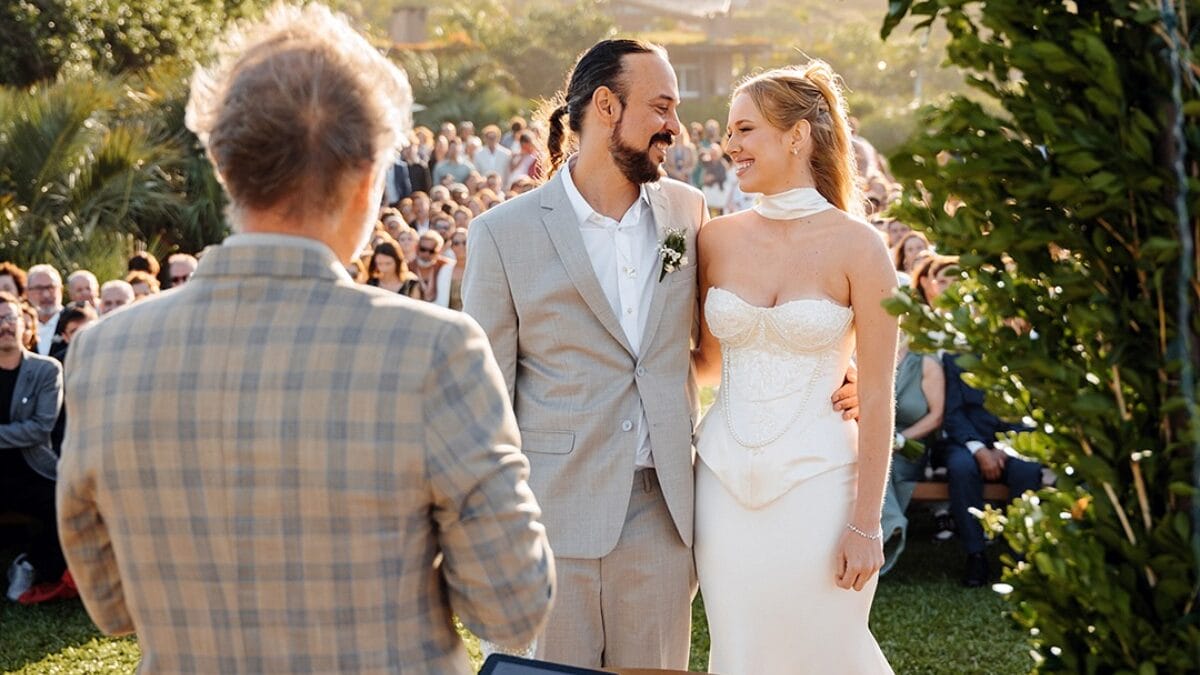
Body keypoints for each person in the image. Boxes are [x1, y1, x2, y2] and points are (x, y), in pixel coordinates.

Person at [55, 5, 554, 673]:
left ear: (223, 164)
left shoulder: (103, 353)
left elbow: (112, 609)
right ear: (369, 178)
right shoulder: (435, 351)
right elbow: (512, 603)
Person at [465, 39, 858, 670]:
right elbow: (482, 404)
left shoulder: (686, 212)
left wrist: (837, 370)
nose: (675, 127)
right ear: (605, 106)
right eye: (662, 107)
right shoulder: (501, 234)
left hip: (664, 518)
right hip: (549, 520)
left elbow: (732, 335)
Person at [692, 61, 895, 674]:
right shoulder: (712, 239)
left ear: (797, 135)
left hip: (823, 487)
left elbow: (881, 396)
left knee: (826, 652)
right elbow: (701, 365)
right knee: (739, 651)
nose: (729, 145)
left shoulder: (862, 247)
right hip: (721, 485)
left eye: (745, 129)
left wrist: (866, 524)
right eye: (729, 132)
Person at [0, 293, 66, 602]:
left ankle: (30, 565)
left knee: (66, 506)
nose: (5, 326)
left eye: (10, 318)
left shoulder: (46, 370)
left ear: (24, 323)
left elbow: (41, 427)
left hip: (33, 469)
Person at [879, 330, 945, 574]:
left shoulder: (925, 362)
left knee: (879, 463)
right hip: (873, 439)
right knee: (865, 460)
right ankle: (891, 524)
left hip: (910, 448)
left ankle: (888, 528)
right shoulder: (872, 354)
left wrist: (899, 439)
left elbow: (936, 416)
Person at [413, 231, 453, 307]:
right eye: (423, 249)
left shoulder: (445, 266)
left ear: (438, 251)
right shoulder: (408, 266)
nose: (426, 254)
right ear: (416, 248)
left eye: (432, 251)